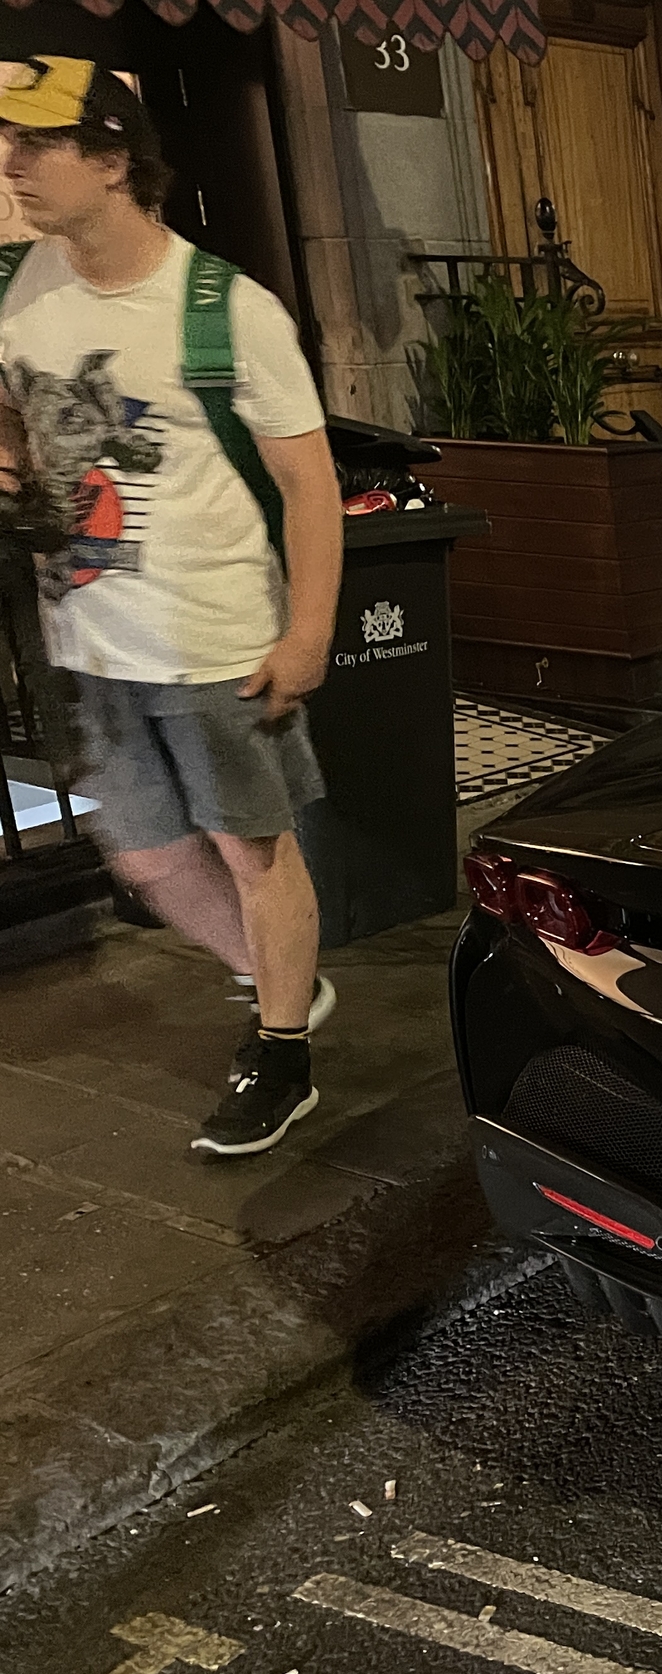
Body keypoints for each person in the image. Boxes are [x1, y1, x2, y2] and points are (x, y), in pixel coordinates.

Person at [0, 59, 343, 1156]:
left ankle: (283, 1054)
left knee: (254, 854)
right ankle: (276, 973)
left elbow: (308, 486)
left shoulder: (225, 309)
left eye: (36, 142)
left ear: (111, 160)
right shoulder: (19, 284)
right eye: (6, 141)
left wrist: (308, 635)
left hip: (214, 644)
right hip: (87, 636)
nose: (12, 163)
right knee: (143, 858)